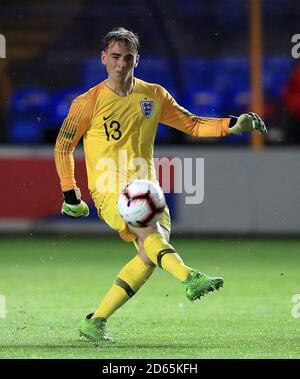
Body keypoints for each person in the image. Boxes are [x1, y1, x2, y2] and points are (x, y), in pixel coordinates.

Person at [54, 27, 267, 342]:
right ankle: (189, 276)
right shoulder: (88, 102)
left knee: (149, 252)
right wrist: (71, 193)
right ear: (103, 59)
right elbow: (63, 147)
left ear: (137, 60)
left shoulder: (153, 94)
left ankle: (95, 321)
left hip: (147, 186)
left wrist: (231, 125)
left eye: (128, 58)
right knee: (150, 237)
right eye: (114, 57)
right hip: (110, 187)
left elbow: (191, 123)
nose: (121, 64)